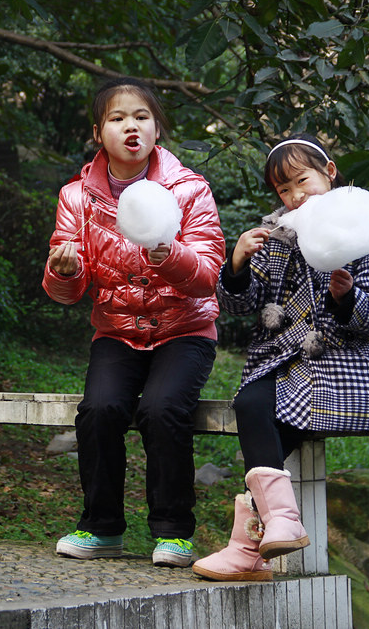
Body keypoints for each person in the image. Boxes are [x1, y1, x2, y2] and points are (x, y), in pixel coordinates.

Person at [192, 134, 369, 582]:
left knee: (265, 415)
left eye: (301, 180)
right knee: (253, 405)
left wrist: (348, 299)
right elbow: (239, 304)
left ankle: (248, 547)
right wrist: (236, 266)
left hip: (337, 364)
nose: (294, 195)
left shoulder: (358, 232)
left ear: (329, 172)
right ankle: (275, 530)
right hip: (280, 360)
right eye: (283, 190)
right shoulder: (276, 236)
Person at [43, 77, 225, 568]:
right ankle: (101, 527)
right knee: (100, 410)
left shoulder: (189, 190)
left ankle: (173, 531)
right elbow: (67, 289)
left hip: (183, 330)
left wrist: (170, 256)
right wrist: (65, 270)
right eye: (118, 118)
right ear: (98, 132)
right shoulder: (77, 197)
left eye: (141, 116)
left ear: (157, 129)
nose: (131, 126)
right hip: (118, 331)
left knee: (162, 410)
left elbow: (208, 277)